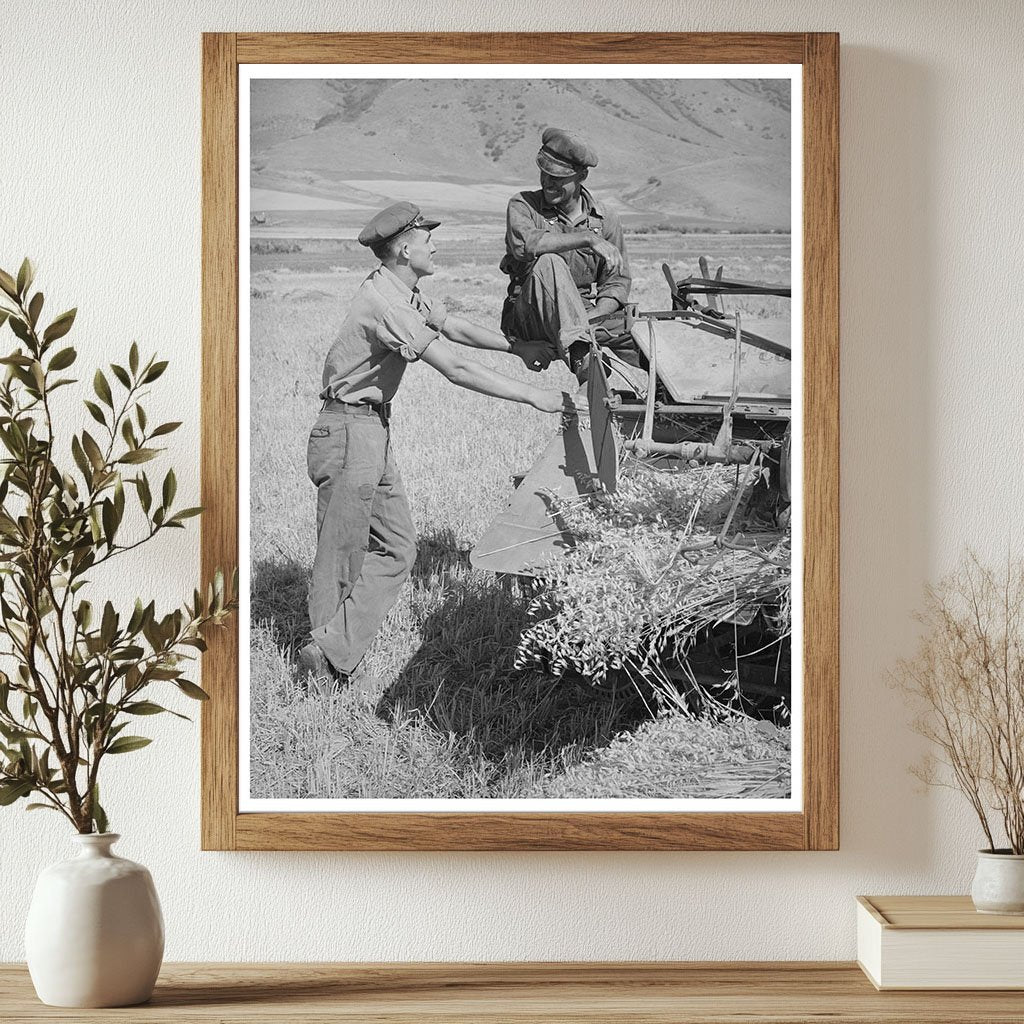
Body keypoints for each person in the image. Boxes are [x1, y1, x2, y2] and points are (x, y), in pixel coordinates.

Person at [297, 201, 578, 684]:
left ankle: (332, 649)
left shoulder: (404, 291)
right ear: (405, 249)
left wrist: (518, 348)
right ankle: (323, 662)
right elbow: (455, 367)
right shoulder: (386, 304)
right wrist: (534, 396)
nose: (436, 245)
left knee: (400, 547)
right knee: (341, 552)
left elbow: (453, 327)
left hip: (369, 429)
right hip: (348, 430)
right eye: (429, 239)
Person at [501, 127, 632, 377]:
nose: (547, 183)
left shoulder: (606, 220)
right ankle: (586, 366)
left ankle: (673, 398)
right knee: (549, 262)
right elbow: (528, 244)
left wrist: (594, 315)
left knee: (643, 336)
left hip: (585, 316)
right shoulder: (523, 205)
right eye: (544, 173)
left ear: (582, 176)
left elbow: (616, 281)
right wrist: (586, 239)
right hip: (531, 318)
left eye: (558, 178)